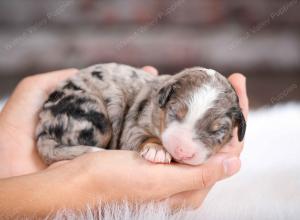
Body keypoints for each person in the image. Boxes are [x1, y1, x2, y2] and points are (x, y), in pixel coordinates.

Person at [0, 66, 248, 218]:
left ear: (238, 128)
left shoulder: (170, 103)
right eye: (175, 115)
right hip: (78, 107)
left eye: (215, 131)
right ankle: (63, 151)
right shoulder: (152, 107)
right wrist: (150, 141)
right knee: (99, 117)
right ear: (164, 96)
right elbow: (133, 134)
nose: (185, 147)